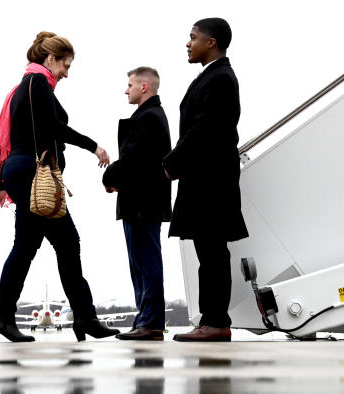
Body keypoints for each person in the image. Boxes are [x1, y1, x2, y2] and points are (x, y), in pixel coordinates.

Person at [0, 32, 118, 343]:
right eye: (65, 65)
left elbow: (10, 139)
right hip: (34, 173)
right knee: (64, 243)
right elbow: (51, 126)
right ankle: (82, 317)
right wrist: (93, 146)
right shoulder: (38, 84)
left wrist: (0, 183)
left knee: (33, 246)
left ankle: (3, 317)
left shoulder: (25, 85)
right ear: (50, 59)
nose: (66, 73)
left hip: (21, 171)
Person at [163, 18, 249, 342]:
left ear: (211, 42)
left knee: (212, 252)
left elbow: (204, 131)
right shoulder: (214, 77)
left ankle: (215, 321)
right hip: (206, 178)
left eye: (193, 37)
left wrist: (171, 165)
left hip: (211, 181)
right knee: (208, 251)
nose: (188, 43)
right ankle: (211, 320)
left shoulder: (221, 79)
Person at [102, 67, 172, 341]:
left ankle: (151, 322)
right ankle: (146, 319)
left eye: (129, 84)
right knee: (141, 263)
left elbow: (133, 158)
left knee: (146, 262)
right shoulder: (149, 116)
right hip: (141, 201)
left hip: (143, 202)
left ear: (144, 87)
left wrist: (109, 176)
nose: (126, 89)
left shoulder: (149, 117)